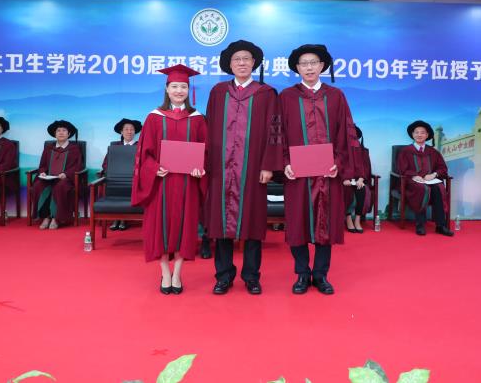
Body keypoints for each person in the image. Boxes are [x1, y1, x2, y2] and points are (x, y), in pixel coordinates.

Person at [204, 40, 283, 295]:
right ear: (229, 64)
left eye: (246, 59)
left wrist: (269, 166)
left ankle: (251, 276)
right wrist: (207, 162)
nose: (241, 63)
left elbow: (275, 131)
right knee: (221, 224)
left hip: (252, 170)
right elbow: (208, 128)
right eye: (236, 59)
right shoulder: (218, 92)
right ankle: (223, 275)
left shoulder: (266, 93)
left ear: (254, 63)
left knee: (253, 224)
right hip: (221, 169)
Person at [280, 44, 357, 295]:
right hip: (297, 174)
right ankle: (302, 274)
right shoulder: (287, 96)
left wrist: (338, 163)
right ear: (297, 68)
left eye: (314, 62)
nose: (309, 67)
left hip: (328, 173)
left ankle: (321, 275)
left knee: (327, 224)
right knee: (297, 223)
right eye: (304, 63)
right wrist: (285, 163)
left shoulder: (335, 96)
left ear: (322, 66)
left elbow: (346, 132)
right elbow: (278, 133)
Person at [131, 64, 207, 294]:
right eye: (174, 86)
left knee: (185, 227)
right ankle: (165, 272)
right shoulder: (154, 118)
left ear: (188, 89)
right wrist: (154, 168)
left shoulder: (197, 119)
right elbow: (144, 154)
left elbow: (206, 151)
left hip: (187, 184)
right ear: (167, 89)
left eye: (183, 86)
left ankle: (177, 273)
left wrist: (200, 169)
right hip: (161, 184)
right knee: (160, 228)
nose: (179, 91)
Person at [396, 120, 454, 236]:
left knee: (439, 188)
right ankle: (420, 224)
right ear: (412, 134)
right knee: (422, 189)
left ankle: (440, 226)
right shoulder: (406, 151)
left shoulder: (433, 152)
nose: (419, 135)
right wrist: (414, 175)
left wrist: (433, 174)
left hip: (430, 180)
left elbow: (442, 168)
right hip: (412, 182)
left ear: (427, 135)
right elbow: (402, 169)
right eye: (416, 132)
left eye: (422, 132)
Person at [30, 120, 83, 230]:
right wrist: (43, 172)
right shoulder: (49, 148)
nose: (61, 133)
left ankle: (56, 218)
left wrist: (66, 174)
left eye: (64, 130)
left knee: (60, 187)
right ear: (55, 134)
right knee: (38, 186)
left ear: (69, 134)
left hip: (65, 179)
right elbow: (42, 165)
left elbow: (78, 166)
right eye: (58, 131)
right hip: (48, 178)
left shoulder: (74, 149)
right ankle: (45, 216)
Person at [102, 118, 142, 231]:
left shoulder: (140, 146)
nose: (129, 132)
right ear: (121, 132)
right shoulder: (115, 146)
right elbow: (106, 163)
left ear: (135, 132)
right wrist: (109, 173)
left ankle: (123, 219)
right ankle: (117, 218)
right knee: (113, 186)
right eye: (126, 129)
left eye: (132, 129)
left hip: (134, 179)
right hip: (116, 180)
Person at [343, 125, 372, 233]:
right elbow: (338, 167)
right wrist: (344, 179)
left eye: (355, 137)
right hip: (345, 181)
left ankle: (357, 219)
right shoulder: (341, 151)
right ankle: (348, 218)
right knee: (347, 190)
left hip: (358, 180)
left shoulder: (363, 151)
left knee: (361, 189)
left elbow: (365, 168)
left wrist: (360, 179)